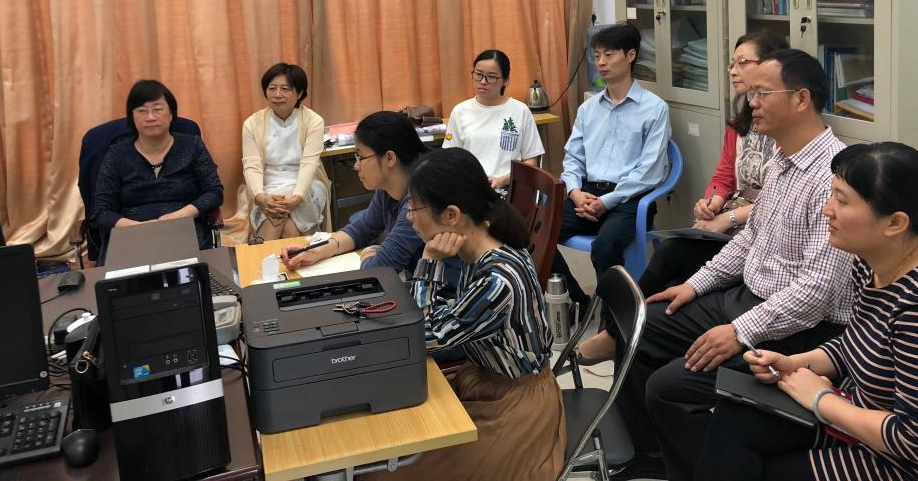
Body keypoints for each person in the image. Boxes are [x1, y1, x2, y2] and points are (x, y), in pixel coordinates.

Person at [616, 49, 858, 481]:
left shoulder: (832, 176)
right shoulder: (782, 159)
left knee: (669, 388)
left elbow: (817, 292)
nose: (751, 102)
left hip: (798, 324)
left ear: (801, 99)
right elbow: (750, 238)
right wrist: (695, 284)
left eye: (763, 93)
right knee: (637, 326)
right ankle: (649, 455)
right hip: (746, 298)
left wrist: (740, 332)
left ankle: (700, 470)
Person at [697, 142, 918, 481]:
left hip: (914, 464)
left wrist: (821, 399)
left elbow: (917, 441)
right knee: (734, 418)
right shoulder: (871, 267)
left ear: (895, 223)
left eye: (842, 201)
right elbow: (855, 344)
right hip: (860, 420)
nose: (827, 210)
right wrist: (796, 363)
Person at [365, 147, 566, 481]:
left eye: (414, 207)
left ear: (452, 215)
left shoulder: (497, 281)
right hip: (486, 383)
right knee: (389, 435)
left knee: (384, 472)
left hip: (516, 410)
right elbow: (441, 319)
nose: (409, 217)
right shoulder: (481, 247)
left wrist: (428, 262)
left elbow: (423, 337)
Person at [549, 22, 670, 361]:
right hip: (586, 194)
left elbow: (649, 172)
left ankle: (611, 324)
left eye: (609, 55)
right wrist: (575, 192)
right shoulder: (589, 109)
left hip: (629, 198)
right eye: (597, 55)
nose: (600, 62)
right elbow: (573, 157)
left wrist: (607, 202)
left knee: (605, 246)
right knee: (534, 231)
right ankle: (577, 298)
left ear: (630, 56)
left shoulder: (654, 108)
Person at [636, 29, 787, 298]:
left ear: (772, 65)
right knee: (674, 274)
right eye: (732, 64)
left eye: (743, 63)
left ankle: (623, 319)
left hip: (762, 233)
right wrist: (712, 203)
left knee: (672, 256)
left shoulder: (789, 129)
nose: (733, 71)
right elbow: (724, 175)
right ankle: (630, 317)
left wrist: (727, 218)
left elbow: (782, 199)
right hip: (730, 222)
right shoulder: (740, 125)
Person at [283, 111, 460, 289]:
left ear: (389, 158)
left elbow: (377, 271)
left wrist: (369, 252)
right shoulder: (388, 189)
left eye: (360, 157)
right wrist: (316, 251)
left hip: (447, 295)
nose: (356, 165)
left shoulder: (419, 203)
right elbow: (361, 229)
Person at [93, 79, 223, 264]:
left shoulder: (192, 146)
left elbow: (214, 192)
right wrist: (138, 228)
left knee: (188, 277)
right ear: (132, 117)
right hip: (130, 237)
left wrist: (181, 215)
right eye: (142, 111)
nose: (150, 117)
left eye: (157, 109)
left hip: (184, 231)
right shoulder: (116, 155)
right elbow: (102, 211)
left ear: (171, 114)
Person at [242, 62, 332, 241]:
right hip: (266, 189)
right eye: (272, 88)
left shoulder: (313, 121)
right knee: (287, 227)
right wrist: (260, 197)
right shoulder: (252, 123)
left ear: (299, 93)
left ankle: (263, 252)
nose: (277, 94)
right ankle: (294, 255)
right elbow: (252, 166)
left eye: (285, 89)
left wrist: (296, 198)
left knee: (278, 213)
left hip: (306, 186)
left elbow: (309, 164)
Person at [442, 49, 544, 188]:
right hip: (470, 187)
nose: (483, 82)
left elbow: (531, 160)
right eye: (478, 74)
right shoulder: (460, 111)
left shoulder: (520, 111)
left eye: (491, 77)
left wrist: (504, 180)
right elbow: (450, 158)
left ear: (505, 80)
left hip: (509, 186)